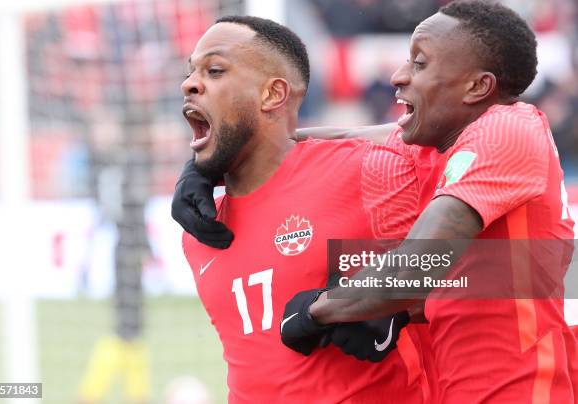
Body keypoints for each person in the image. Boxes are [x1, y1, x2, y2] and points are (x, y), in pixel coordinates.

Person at [280, 1, 577, 403]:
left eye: (419, 63)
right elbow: (346, 137)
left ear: (477, 87)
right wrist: (225, 163)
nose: (398, 76)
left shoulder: (505, 130)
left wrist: (317, 310)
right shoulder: (451, 138)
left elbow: (414, 269)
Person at [178, 15, 432, 403]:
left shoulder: (370, 169)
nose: (189, 83)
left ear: (272, 95)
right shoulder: (201, 229)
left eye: (214, 70)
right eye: (191, 71)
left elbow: (527, 269)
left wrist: (396, 305)